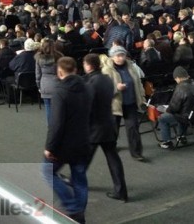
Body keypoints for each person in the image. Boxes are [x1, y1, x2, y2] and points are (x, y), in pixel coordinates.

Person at [42, 56, 91, 224]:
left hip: (63, 146)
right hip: (84, 141)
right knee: (80, 178)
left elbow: (56, 124)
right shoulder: (87, 88)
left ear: (59, 72)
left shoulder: (60, 92)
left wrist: (50, 147)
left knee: (47, 171)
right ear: (75, 70)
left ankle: (73, 207)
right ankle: (79, 215)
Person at [83, 53, 128, 202]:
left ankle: (75, 183)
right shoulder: (107, 79)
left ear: (88, 65)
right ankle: (121, 191)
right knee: (113, 158)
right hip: (109, 123)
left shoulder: (90, 83)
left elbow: (88, 107)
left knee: (84, 158)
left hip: (95, 128)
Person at [101, 46, 147, 161]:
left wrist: (142, 98)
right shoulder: (106, 70)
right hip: (115, 104)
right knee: (114, 129)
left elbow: (138, 83)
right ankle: (112, 148)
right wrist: (116, 88)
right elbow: (103, 90)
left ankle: (137, 153)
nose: (120, 58)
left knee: (133, 128)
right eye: (117, 56)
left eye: (122, 55)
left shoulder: (131, 67)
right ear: (112, 57)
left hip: (130, 102)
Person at [158, 66, 194, 149]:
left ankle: (167, 142)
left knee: (162, 118)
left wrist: (164, 109)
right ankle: (181, 136)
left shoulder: (180, 88)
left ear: (178, 78)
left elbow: (173, 108)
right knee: (182, 112)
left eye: (175, 79)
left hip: (187, 118)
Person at [35, 38, 63, 125]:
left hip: (44, 84)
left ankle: (51, 127)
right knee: (59, 108)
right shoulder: (59, 57)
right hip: (57, 84)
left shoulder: (38, 58)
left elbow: (38, 74)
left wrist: (39, 86)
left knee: (48, 108)